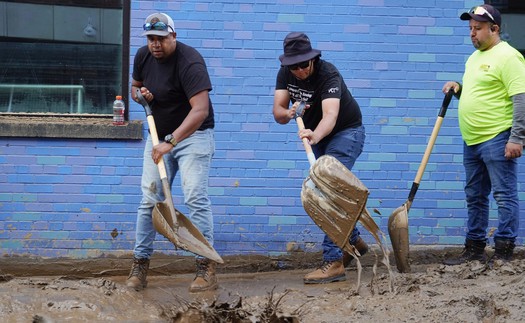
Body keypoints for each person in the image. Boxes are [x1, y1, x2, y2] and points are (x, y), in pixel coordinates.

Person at [127, 12, 219, 292]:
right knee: (149, 200)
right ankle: (140, 265)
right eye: (151, 39)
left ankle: (205, 266)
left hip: (193, 136)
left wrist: (172, 141)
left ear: (173, 36)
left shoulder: (190, 62)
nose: (155, 44)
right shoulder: (143, 56)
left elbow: (200, 111)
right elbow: (134, 87)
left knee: (194, 198)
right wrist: (141, 94)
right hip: (158, 137)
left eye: (161, 38)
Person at [272, 32, 369, 284]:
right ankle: (354, 240)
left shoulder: (328, 74)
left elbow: (330, 115)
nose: (300, 70)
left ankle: (333, 261)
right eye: (294, 66)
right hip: (317, 137)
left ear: (312, 59)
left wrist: (314, 134)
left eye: (304, 64)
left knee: (327, 191)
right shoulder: (285, 73)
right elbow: (278, 112)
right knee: (323, 191)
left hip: (346, 133)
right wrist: (289, 112)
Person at [442, 4, 525, 265]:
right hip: (472, 140)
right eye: (470, 28)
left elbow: (521, 99)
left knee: (504, 195)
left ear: (495, 29)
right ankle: (474, 248)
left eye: (478, 28)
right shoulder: (473, 58)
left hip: (498, 137)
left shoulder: (509, 57)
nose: (472, 33)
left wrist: (517, 137)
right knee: (475, 196)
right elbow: (479, 93)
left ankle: (503, 250)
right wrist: (459, 88)